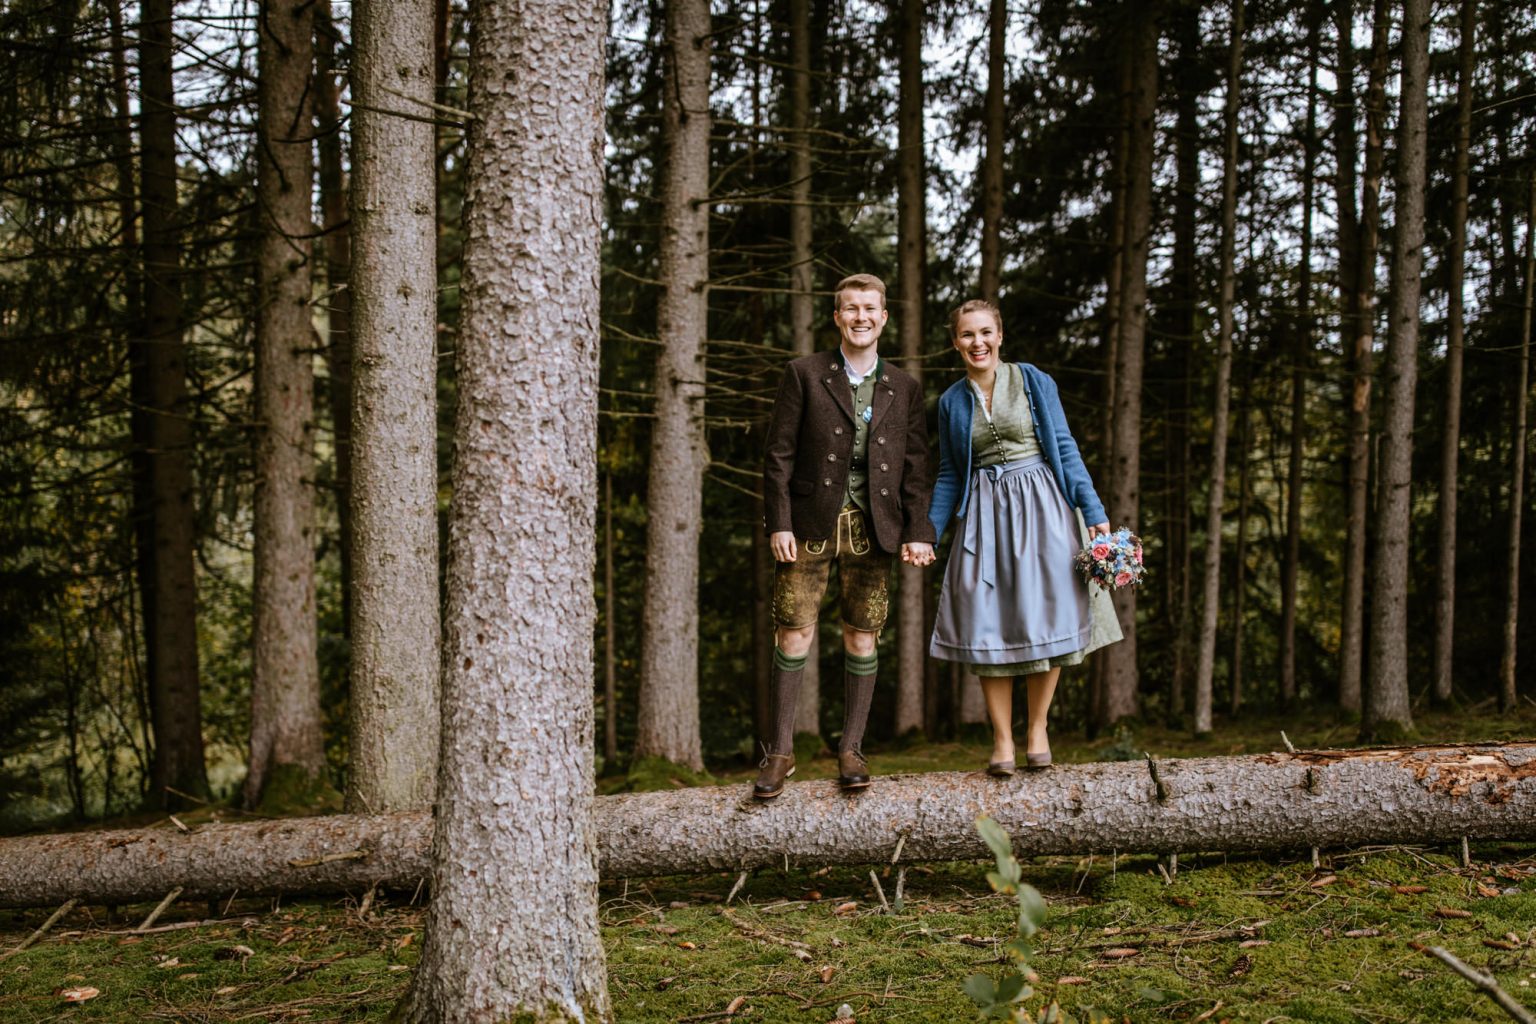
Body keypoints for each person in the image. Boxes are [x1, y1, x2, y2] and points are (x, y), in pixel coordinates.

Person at [757, 273, 937, 799]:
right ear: (837, 317)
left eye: (870, 309)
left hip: (874, 528)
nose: (860, 317)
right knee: (793, 631)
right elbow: (778, 455)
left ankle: (852, 748)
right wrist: (780, 522)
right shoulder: (805, 373)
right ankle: (780, 753)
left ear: (884, 318)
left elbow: (916, 466)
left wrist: (918, 529)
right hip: (808, 526)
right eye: (850, 308)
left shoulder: (904, 387)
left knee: (862, 633)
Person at [927, 299, 1120, 775]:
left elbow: (1066, 445)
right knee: (986, 617)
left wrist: (1091, 508)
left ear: (1000, 335)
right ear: (956, 342)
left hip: (1044, 506)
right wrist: (927, 532)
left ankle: (1037, 728)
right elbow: (950, 472)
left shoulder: (1033, 380)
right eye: (968, 334)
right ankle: (1001, 740)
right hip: (986, 514)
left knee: (1047, 611)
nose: (978, 342)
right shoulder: (951, 402)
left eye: (986, 332)